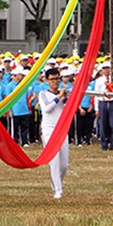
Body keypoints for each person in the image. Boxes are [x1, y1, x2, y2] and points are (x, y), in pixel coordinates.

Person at [38, 67, 69, 199]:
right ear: (46, 80)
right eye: (52, 79)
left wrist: (66, 98)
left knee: (64, 164)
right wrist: (59, 96)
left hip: (61, 129)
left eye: (57, 79)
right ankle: (58, 191)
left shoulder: (63, 94)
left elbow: (68, 108)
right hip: (49, 129)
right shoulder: (43, 94)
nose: (55, 82)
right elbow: (47, 108)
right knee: (54, 160)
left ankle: (56, 182)